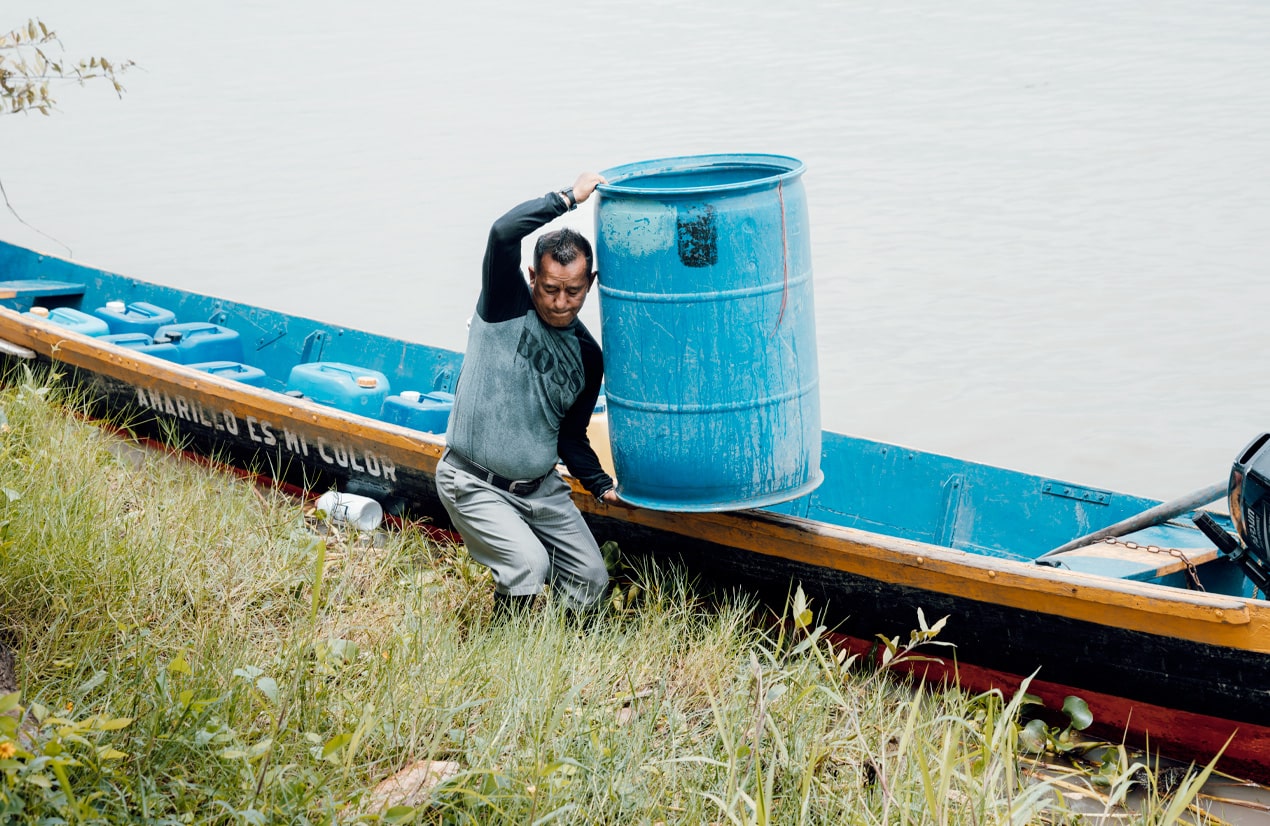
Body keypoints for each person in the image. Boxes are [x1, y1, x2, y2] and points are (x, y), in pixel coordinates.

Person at [437, 171, 619, 618]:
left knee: (592, 579)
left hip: (542, 491)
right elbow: (502, 233)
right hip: (473, 481)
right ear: (532, 276)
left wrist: (601, 486)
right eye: (551, 288)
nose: (560, 302)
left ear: (590, 284)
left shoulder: (588, 357)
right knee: (527, 566)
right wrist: (566, 198)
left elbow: (571, 437)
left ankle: (558, 652)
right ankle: (501, 656)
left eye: (573, 291)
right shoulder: (506, 303)